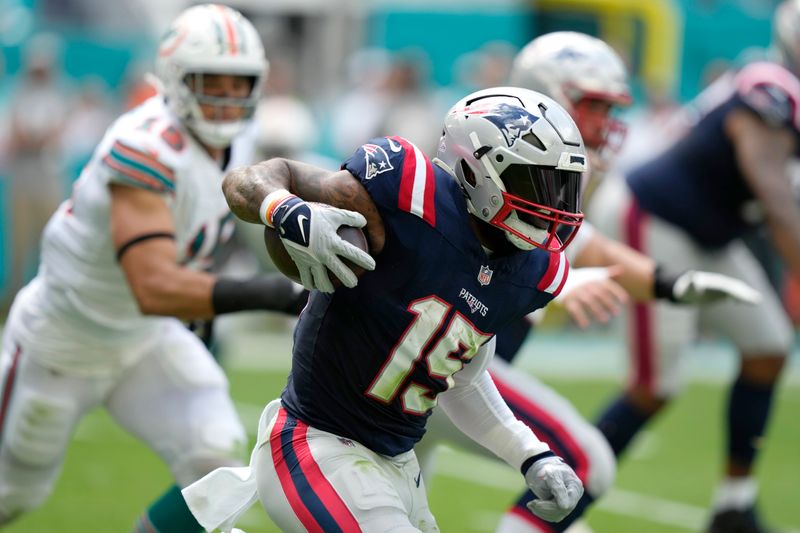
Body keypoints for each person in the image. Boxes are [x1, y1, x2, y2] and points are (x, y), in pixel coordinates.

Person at [184, 86, 592, 532]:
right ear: (477, 169)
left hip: (399, 468)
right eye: (537, 184)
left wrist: (531, 454)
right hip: (315, 444)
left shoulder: (535, 271)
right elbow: (249, 179)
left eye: (560, 188)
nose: (552, 206)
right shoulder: (407, 190)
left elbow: (462, 376)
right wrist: (286, 211)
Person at [417, 32, 763, 533]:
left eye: (609, 107)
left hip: (448, 376)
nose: (606, 124)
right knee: (584, 461)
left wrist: (676, 286)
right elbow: (473, 265)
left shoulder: (542, 194)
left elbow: (597, 252)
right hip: (434, 371)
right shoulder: (484, 188)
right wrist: (554, 282)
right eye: (592, 104)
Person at [0, 5, 304, 532]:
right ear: (175, 79)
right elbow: (154, 285)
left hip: (142, 341)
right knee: (13, 492)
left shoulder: (242, 141)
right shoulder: (144, 146)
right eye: (213, 82)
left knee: (216, 460)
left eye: (241, 84)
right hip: (63, 342)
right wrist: (283, 294)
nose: (228, 98)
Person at [584, 2, 800, 529]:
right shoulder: (770, 87)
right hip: (655, 219)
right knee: (654, 384)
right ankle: (557, 500)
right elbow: (773, 192)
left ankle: (733, 504)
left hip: (710, 233)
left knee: (768, 348)